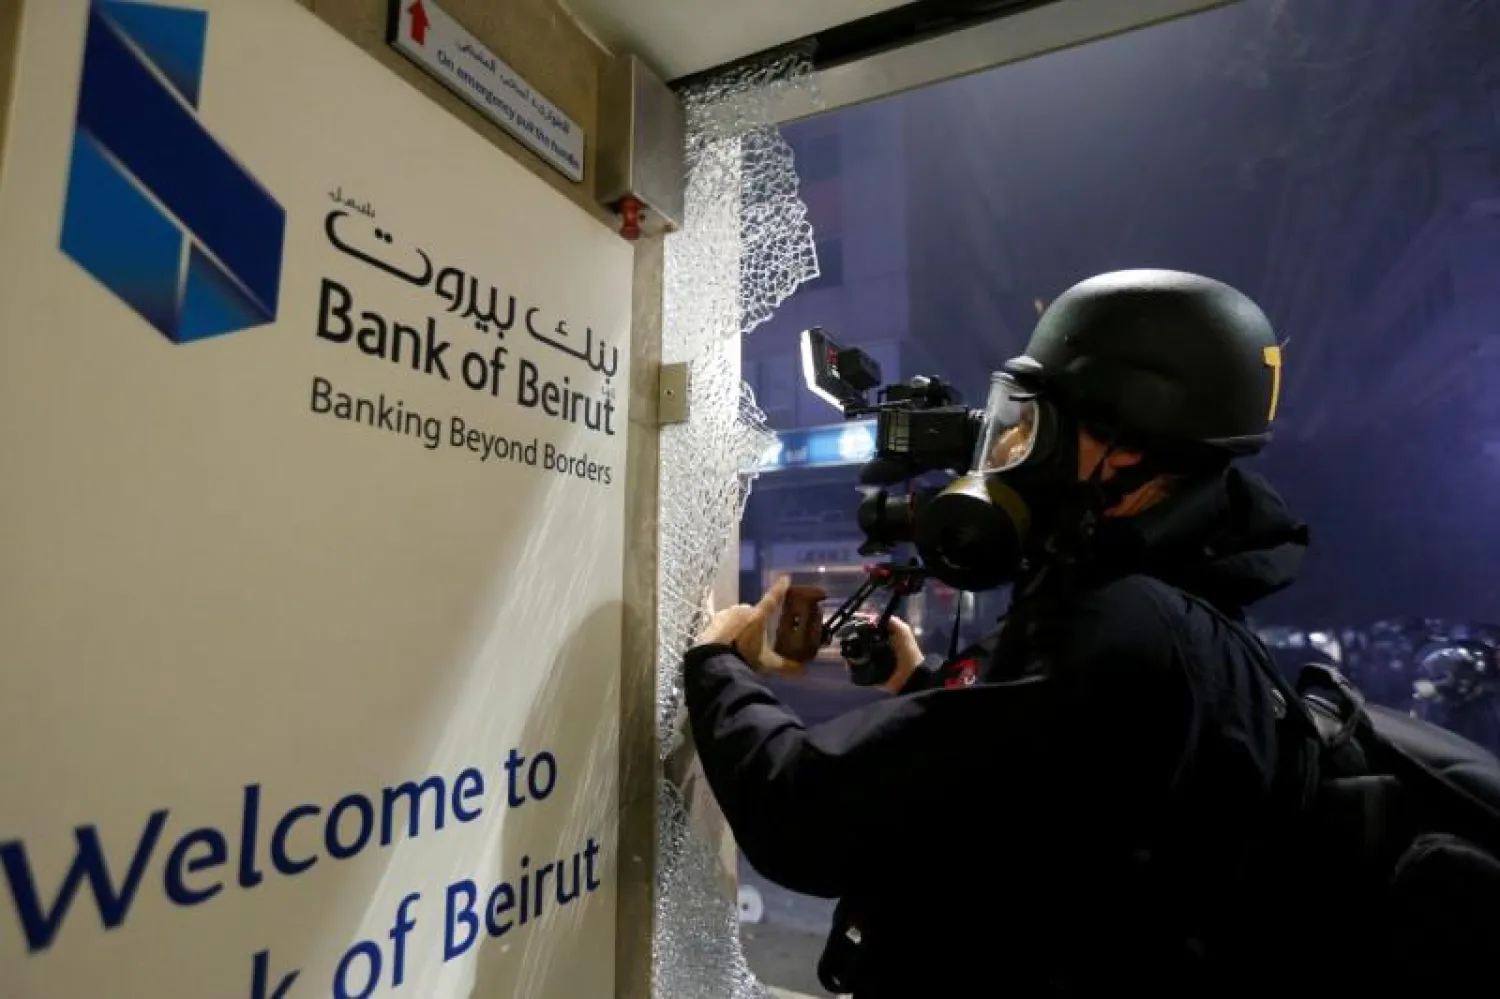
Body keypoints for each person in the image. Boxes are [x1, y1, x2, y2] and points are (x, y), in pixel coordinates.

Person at [683, 269, 1312, 997]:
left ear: (1124, 444)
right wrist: (919, 686)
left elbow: (807, 814)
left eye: (1030, 419)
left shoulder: (1121, 631)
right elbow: (1026, 790)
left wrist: (716, 661)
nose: (1009, 440)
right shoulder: (1186, 612)